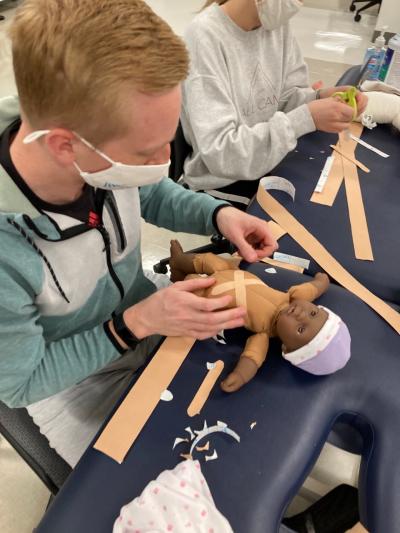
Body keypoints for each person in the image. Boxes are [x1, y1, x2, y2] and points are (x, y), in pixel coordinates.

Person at [0, 0, 277, 467]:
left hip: (145, 318)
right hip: (72, 382)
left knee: (262, 403)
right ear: (65, 145)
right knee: (167, 483)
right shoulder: (10, 251)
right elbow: (21, 383)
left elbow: (148, 192)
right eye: (148, 151)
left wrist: (216, 216)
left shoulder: (100, 162)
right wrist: (134, 325)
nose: (164, 162)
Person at [180, 0, 368, 208]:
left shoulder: (274, 26)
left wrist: (319, 98)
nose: (297, 4)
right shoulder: (204, 37)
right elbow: (222, 154)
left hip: (268, 158)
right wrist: (306, 117)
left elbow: (285, 98)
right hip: (221, 179)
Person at [169, 240, 350, 392]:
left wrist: (239, 376)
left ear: (287, 348)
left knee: (191, 283)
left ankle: (178, 278)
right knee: (207, 260)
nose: (302, 314)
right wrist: (322, 281)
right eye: (313, 312)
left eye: (301, 328)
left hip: (209, 295)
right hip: (229, 271)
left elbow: (252, 358)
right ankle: (178, 261)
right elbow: (313, 288)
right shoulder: (294, 297)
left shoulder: (263, 334)